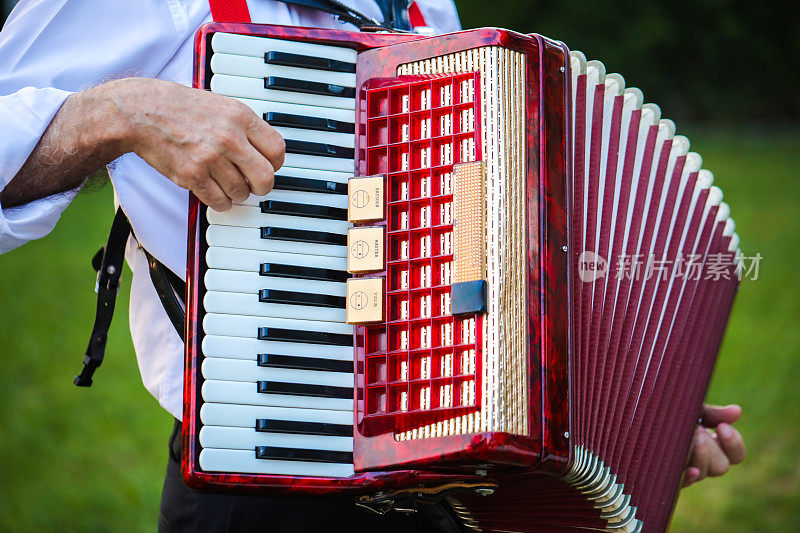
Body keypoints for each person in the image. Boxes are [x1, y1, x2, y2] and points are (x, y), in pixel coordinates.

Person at [0, 0, 744, 531]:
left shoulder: (421, 8)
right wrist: (121, 112)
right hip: (264, 482)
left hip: (450, 492)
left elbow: (470, 253)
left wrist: (634, 404)